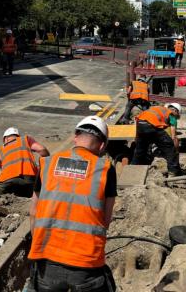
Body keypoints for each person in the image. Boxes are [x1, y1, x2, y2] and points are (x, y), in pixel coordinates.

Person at [28, 116, 117, 292]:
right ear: (101, 146)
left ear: (75, 136)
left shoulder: (46, 163)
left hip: (47, 262)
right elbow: (105, 221)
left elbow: (33, 212)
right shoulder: (106, 169)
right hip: (86, 265)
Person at [0, 127, 49, 197]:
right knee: (30, 197)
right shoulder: (24, 140)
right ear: (17, 136)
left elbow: (1, 168)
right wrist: (46, 163)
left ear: (6, 138)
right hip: (29, 180)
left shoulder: (0, 150)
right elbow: (42, 149)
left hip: (8, 178)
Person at [131, 103, 182, 176]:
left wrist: (137, 137)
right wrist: (175, 148)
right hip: (151, 125)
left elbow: (158, 133)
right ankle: (173, 172)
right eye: (176, 116)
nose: (175, 118)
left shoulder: (159, 109)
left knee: (140, 150)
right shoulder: (169, 113)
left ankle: (132, 170)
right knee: (169, 146)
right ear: (175, 111)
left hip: (140, 124)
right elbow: (172, 136)